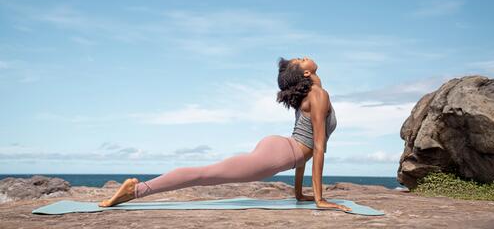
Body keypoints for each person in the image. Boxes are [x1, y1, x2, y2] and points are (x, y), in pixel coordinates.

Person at [99, 56, 351, 212]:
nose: (305, 56)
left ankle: (137, 189)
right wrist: (319, 199)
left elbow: (305, 149)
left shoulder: (314, 95)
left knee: (208, 173)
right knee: (206, 174)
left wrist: (299, 194)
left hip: (283, 148)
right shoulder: (318, 95)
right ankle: (136, 190)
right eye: (301, 59)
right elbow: (316, 147)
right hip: (281, 151)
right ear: (306, 73)